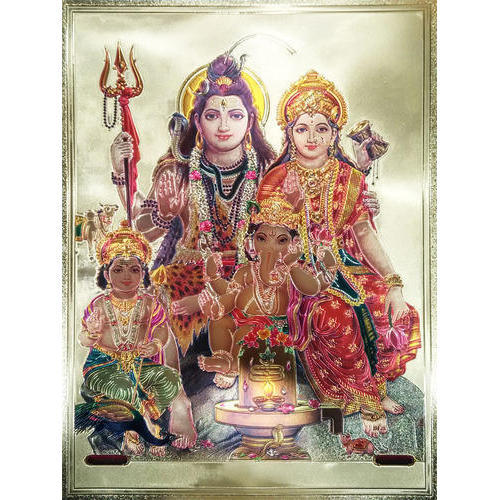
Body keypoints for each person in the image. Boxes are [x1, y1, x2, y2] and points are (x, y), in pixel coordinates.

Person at [256, 71, 421, 437]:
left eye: (321, 128)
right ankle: (364, 398)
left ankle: (375, 385)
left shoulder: (350, 178)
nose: (311, 137)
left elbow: (363, 233)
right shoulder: (276, 179)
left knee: (390, 306)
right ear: (290, 134)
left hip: (345, 266)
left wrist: (393, 282)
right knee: (335, 315)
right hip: (294, 272)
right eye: (302, 129)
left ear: (334, 134)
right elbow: (267, 240)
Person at [110, 54, 275, 355]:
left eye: (235, 116)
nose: (223, 125)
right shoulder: (178, 173)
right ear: (197, 121)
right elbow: (143, 230)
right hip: (187, 284)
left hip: (254, 282)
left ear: (250, 121)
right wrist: (121, 173)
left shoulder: (270, 174)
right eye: (212, 116)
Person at [196, 190, 337, 388]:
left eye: (281, 240)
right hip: (241, 317)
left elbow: (312, 288)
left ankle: (233, 366)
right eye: (262, 238)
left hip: (270, 325)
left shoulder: (291, 271)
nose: (269, 246)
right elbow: (230, 292)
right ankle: (222, 357)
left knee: (244, 334)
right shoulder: (247, 270)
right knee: (219, 322)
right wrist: (214, 280)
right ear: (251, 241)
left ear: (294, 244)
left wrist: (292, 264)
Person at [78, 221, 197, 455]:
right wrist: (91, 334)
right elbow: (83, 338)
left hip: (140, 363)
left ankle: (156, 414)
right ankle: (138, 429)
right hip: (104, 366)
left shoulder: (149, 303)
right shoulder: (99, 304)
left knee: (170, 379)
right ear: (106, 274)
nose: (126, 276)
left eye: (133, 270)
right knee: (123, 388)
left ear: (143, 274)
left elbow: (161, 328)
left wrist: (155, 344)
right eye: (118, 270)